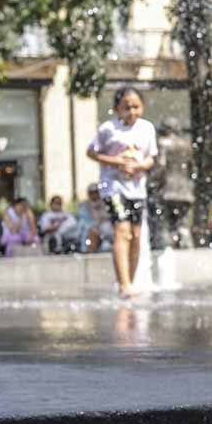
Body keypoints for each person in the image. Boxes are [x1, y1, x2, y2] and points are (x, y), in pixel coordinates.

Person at [87, 86, 159, 298]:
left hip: (137, 189)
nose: (132, 111)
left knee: (136, 235)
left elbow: (150, 159)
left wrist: (139, 166)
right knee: (122, 230)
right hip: (113, 187)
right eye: (126, 107)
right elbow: (91, 152)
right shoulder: (108, 129)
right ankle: (123, 284)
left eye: (136, 107)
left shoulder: (147, 128)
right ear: (116, 109)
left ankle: (130, 280)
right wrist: (116, 162)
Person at [154, 118, 196, 250]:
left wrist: (152, 180)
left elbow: (161, 165)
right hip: (185, 190)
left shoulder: (163, 143)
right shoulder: (186, 144)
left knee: (165, 224)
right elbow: (192, 169)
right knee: (183, 225)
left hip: (167, 189)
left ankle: (166, 250)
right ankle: (187, 251)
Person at [74, 185, 103, 253]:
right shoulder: (84, 205)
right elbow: (82, 218)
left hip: (102, 227)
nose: (94, 195)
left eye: (95, 192)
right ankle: (84, 249)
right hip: (88, 227)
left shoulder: (104, 203)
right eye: (92, 193)